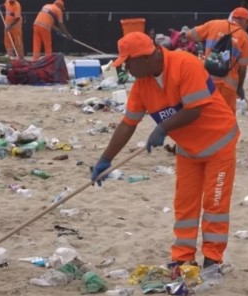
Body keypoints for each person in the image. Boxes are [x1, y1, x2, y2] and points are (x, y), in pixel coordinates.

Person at [90, 32, 239, 269]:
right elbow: (128, 124)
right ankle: (183, 259)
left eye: (128, 62)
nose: (126, 68)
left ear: (145, 57)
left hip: (218, 143)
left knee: (215, 205)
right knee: (185, 204)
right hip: (189, 149)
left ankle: (213, 260)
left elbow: (194, 109)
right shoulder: (142, 85)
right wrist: (105, 159)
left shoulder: (185, 64)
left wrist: (162, 129)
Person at [187, 7, 248, 113]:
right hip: (229, 86)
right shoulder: (244, 37)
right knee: (226, 117)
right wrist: (240, 87)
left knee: (208, 114)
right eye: (247, 24)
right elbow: (243, 68)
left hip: (207, 81)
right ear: (245, 21)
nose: (247, 27)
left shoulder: (214, 24)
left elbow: (189, 35)